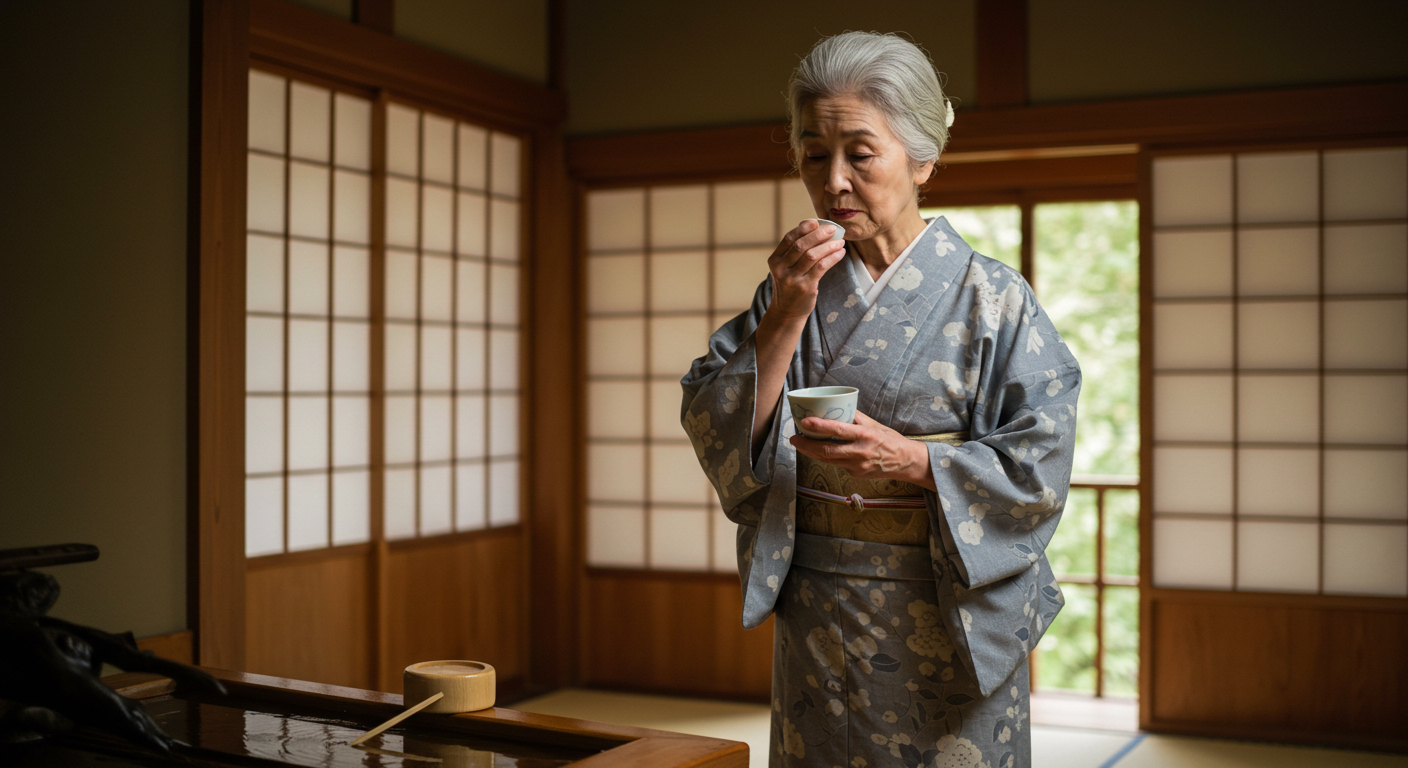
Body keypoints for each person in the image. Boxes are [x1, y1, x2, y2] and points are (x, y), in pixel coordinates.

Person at [681, 31, 1080, 768]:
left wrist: (915, 462)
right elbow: (717, 425)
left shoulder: (995, 300)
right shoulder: (788, 289)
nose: (833, 181)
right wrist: (785, 315)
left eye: (859, 153)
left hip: (943, 611)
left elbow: (1039, 462)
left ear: (923, 158)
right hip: (818, 607)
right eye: (812, 153)